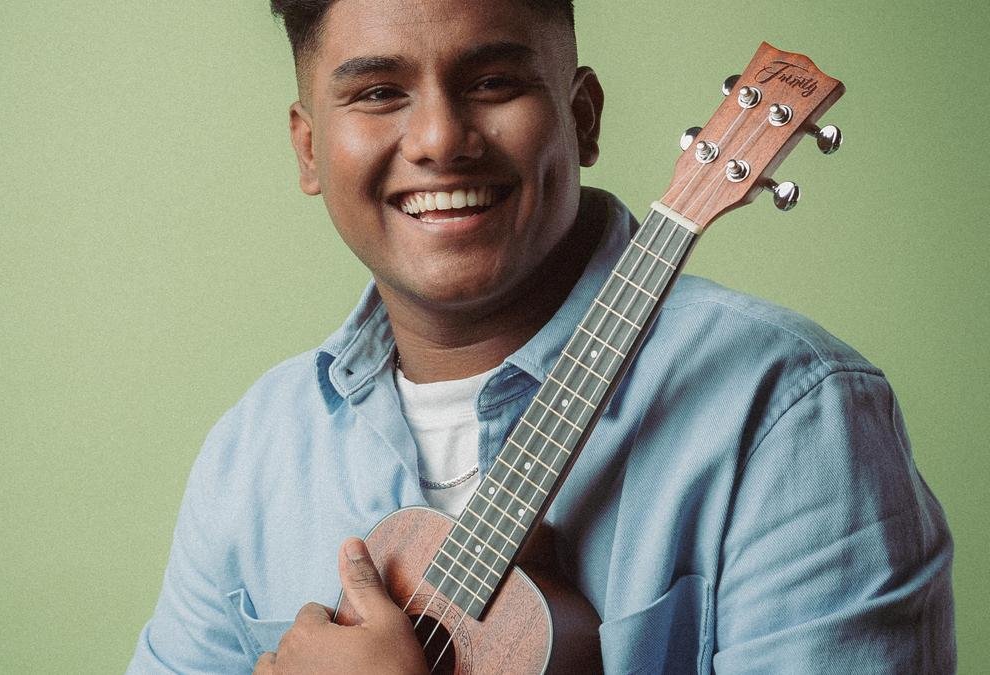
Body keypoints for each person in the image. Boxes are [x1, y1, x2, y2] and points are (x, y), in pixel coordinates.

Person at [127, 0, 956, 672]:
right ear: (310, 149)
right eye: (378, 92)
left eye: (491, 82)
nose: (439, 140)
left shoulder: (788, 417)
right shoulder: (253, 455)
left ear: (582, 117)